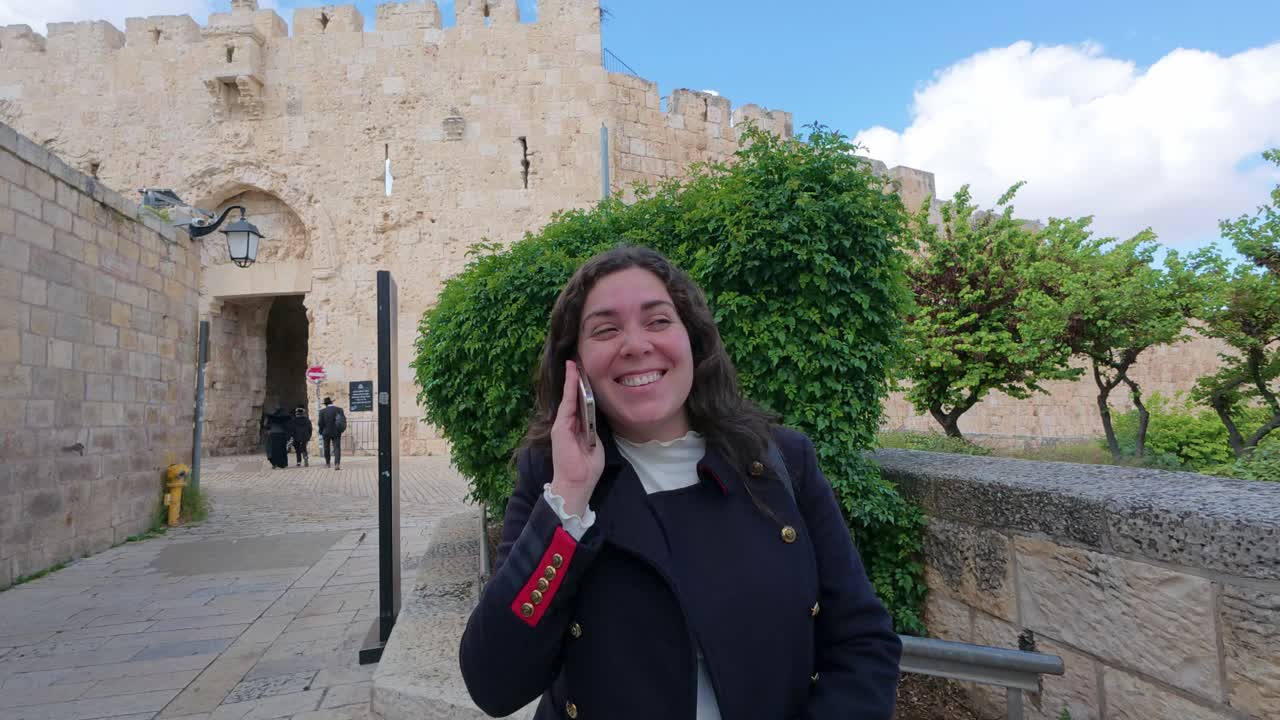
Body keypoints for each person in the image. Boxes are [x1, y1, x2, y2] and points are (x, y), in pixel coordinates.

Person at [459, 246, 901, 719]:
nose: (635, 344)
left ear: (693, 338)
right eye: (606, 330)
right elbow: (495, 683)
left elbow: (863, 642)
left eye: (658, 321)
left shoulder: (784, 462)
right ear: (577, 367)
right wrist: (569, 499)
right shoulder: (552, 479)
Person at [317, 397, 346, 470]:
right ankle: (337, 464)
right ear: (331, 402)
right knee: (337, 448)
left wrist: (321, 431)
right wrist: (341, 430)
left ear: (325, 404)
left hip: (326, 432)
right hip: (336, 432)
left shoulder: (322, 411)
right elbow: (343, 421)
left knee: (326, 448)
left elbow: (320, 423)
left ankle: (328, 463)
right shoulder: (339, 410)